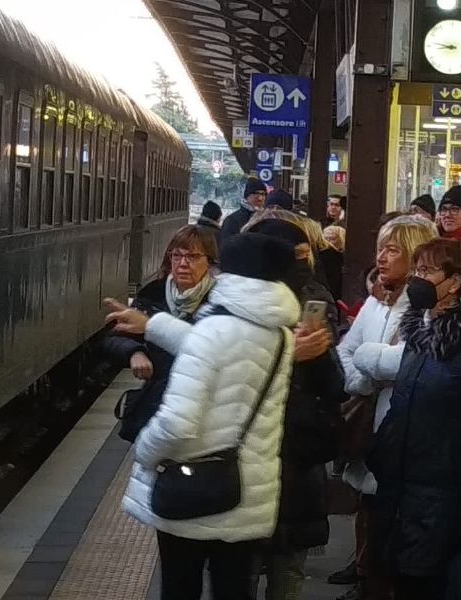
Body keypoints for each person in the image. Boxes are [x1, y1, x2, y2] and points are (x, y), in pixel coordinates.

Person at [107, 232, 300, 600]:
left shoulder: (213, 331)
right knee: (233, 589)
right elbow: (221, 348)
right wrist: (152, 325)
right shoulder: (279, 335)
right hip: (247, 490)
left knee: (180, 588)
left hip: (192, 489)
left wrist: (145, 452)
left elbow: (176, 423)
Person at [366, 238, 461, 600]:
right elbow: (403, 403)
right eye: (416, 270)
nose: (418, 279)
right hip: (404, 493)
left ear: (455, 282)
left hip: (450, 497)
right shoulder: (419, 334)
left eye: (428, 271)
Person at [332, 215, 437, 599]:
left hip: (404, 434)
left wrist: (366, 360)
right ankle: (366, 579)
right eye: (381, 248)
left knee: (393, 527)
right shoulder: (377, 301)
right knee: (369, 511)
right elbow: (345, 352)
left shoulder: (426, 307)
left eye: (392, 250)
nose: (381, 258)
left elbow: (407, 361)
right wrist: (365, 379)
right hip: (369, 430)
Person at [243, 212, 346, 600]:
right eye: (297, 255)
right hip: (249, 459)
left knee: (287, 568)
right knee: (243, 572)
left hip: (298, 456)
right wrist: (288, 355)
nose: (304, 264)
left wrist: (318, 356)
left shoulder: (315, 300)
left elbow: (335, 385)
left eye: (307, 255)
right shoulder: (232, 306)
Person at [102, 226, 219, 440]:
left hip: (202, 411)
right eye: (176, 256)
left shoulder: (218, 302)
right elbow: (114, 338)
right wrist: (135, 352)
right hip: (157, 405)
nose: (182, 264)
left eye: (193, 257)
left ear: (209, 262)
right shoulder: (153, 294)